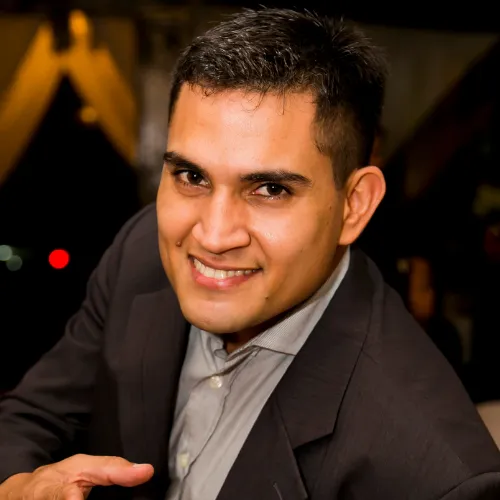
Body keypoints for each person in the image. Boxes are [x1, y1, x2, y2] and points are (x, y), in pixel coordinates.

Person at [1, 8, 499, 500]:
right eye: (191, 177)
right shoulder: (142, 252)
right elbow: (31, 416)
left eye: (270, 189)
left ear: (354, 205)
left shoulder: (434, 476)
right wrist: (20, 485)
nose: (213, 236)